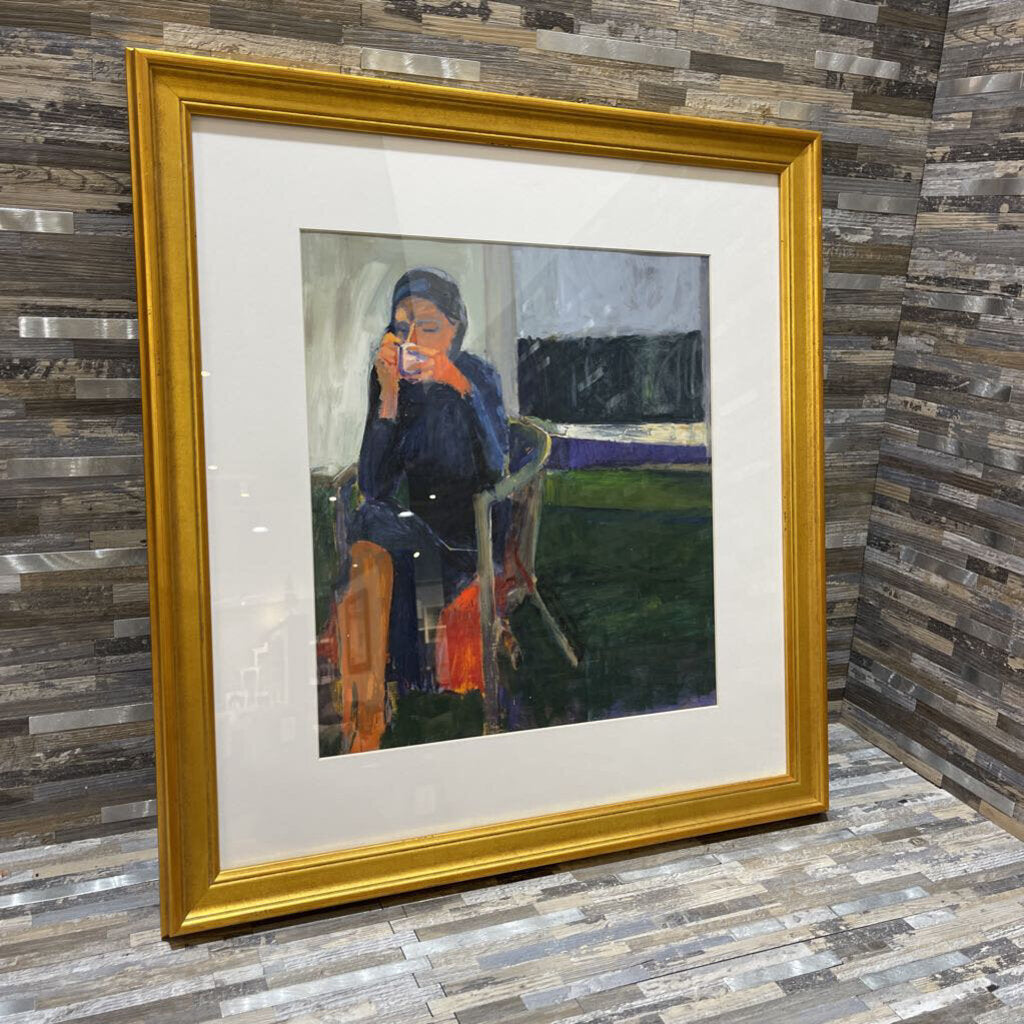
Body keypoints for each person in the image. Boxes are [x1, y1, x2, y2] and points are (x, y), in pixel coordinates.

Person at [333, 267, 509, 752]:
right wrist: (388, 395)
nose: (412, 339)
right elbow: (374, 484)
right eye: (401, 327)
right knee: (371, 532)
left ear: (455, 329)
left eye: (428, 327)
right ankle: (368, 715)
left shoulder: (477, 376)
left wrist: (459, 387)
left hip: (466, 540)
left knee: (369, 533)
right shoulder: (394, 383)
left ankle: (366, 720)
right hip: (407, 534)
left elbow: (496, 469)